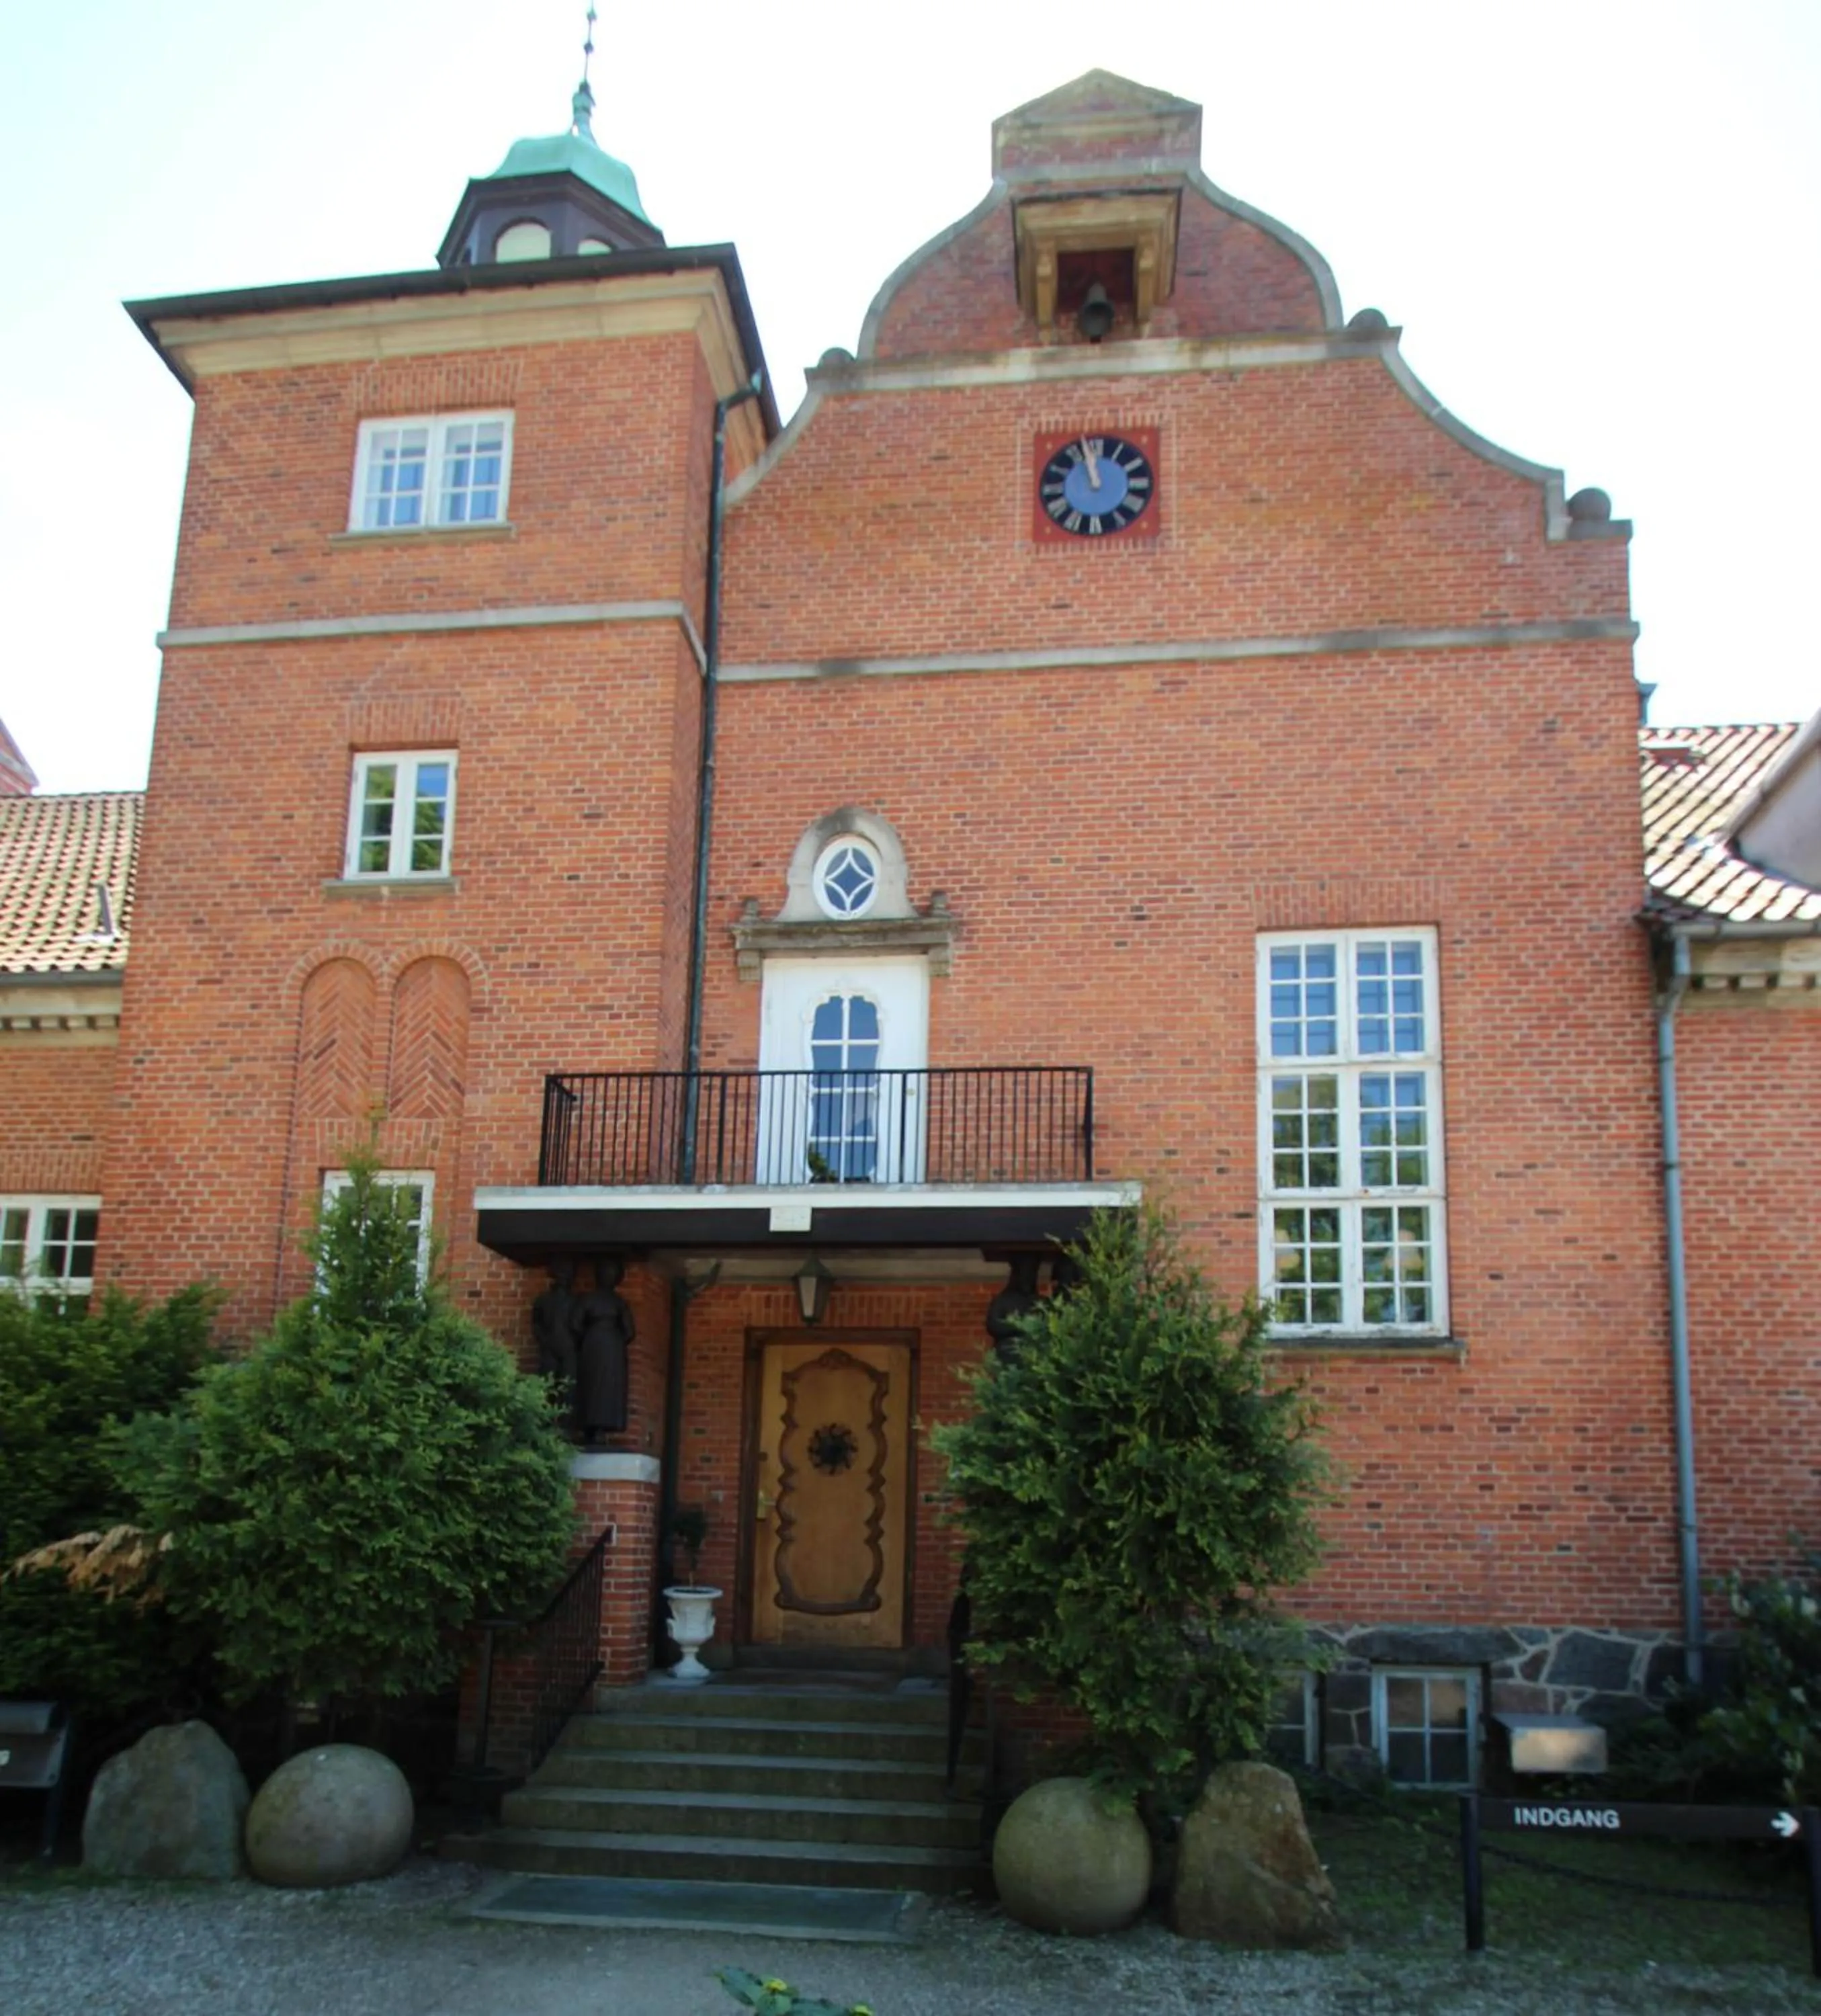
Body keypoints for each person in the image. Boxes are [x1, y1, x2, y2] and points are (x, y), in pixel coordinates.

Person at [571, 1253, 634, 1444]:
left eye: (611, 1274)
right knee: (590, 1384)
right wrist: (593, 1337)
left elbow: (630, 1331)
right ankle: (588, 1425)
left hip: (611, 1348)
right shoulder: (587, 1299)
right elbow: (576, 1323)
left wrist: (612, 1340)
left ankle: (603, 1426)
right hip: (594, 1346)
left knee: (609, 1388)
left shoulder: (619, 1303)